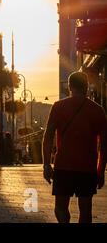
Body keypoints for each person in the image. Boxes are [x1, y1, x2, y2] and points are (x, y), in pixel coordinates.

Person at [42, 71, 107, 223]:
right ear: (87, 87)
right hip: (87, 167)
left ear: (69, 86)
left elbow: (48, 136)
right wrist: (101, 170)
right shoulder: (97, 110)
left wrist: (46, 164)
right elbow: (104, 145)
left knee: (61, 208)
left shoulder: (58, 106)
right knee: (85, 210)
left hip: (63, 166)